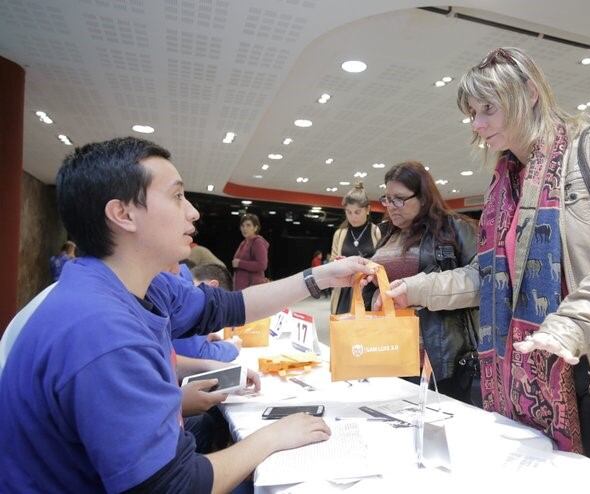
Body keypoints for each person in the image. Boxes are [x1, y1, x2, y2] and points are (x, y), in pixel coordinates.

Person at [380, 47, 590, 471]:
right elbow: (488, 277)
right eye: (472, 112)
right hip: (553, 373)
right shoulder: (505, 186)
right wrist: (415, 289)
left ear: (529, 92)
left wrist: (573, 322)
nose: (477, 125)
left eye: (488, 108)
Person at [0, 136, 375, 493]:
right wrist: (273, 437)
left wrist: (321, 277)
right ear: (122, 213)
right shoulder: (102, 329)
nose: (193, 212)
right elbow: (174, 486)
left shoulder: (131, 284)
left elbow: (229, 307)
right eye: (177, 196)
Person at [369, 161, 479, 404]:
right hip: (391, 350)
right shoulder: (389, 232)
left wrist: (416, 290)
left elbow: (480, 280)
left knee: (441, 430)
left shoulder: (454, 228)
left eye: (399, 198)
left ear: (423, 197)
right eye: (387, 198)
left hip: (438, 355)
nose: (391, 207)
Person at [171, 263, 242, 362]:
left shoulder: (177, 280)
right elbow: (196, 355)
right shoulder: (187, 296)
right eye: (215, 311)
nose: (213, 317)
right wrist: (233, 347)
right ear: (212, 287)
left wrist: (201, 336)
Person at [330, 182, 382, 314]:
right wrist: (337, 263)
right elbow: (331, 264)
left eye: (357, 212)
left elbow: (382, 264)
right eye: (349, 212)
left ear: (368, 209)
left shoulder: (376, 232)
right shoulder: (340, 234)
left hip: (369, 291)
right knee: (343, 331)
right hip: (344, 292)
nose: (353, 217)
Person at [232, 213, 269, 290]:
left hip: (252, 289)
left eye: (248, 225)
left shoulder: (258, 242)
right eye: (242, 226)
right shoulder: (244, 242)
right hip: (242, 289)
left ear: (255, 228)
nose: (244, 228)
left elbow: (262, 265)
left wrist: (240, 263)